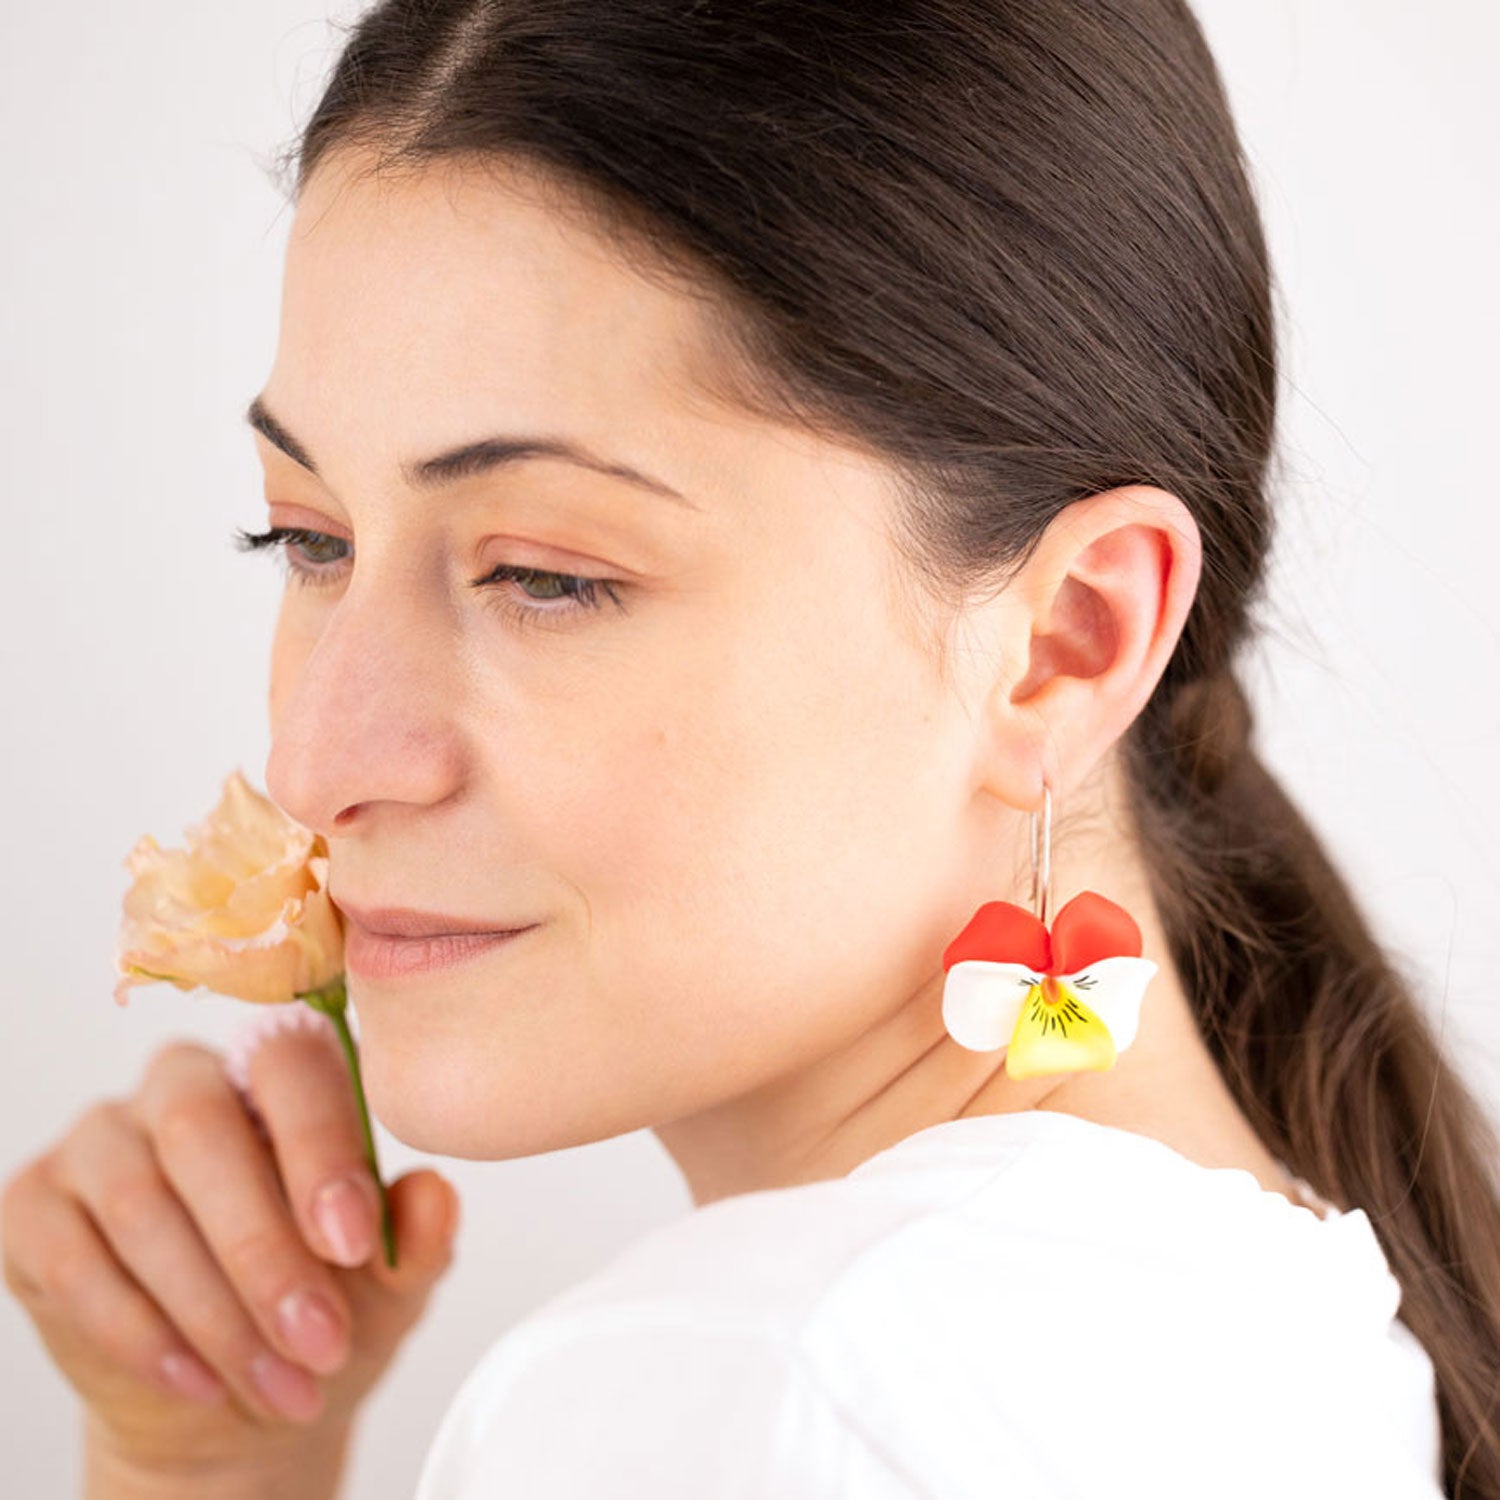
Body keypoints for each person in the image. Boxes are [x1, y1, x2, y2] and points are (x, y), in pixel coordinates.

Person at [3, 0, 1497, 1495]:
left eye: (547, 574)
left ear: (1066, 641)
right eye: (309, 539)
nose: (321, 761)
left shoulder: (774, 1378)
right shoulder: (1273, 1327)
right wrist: (209, 1469)